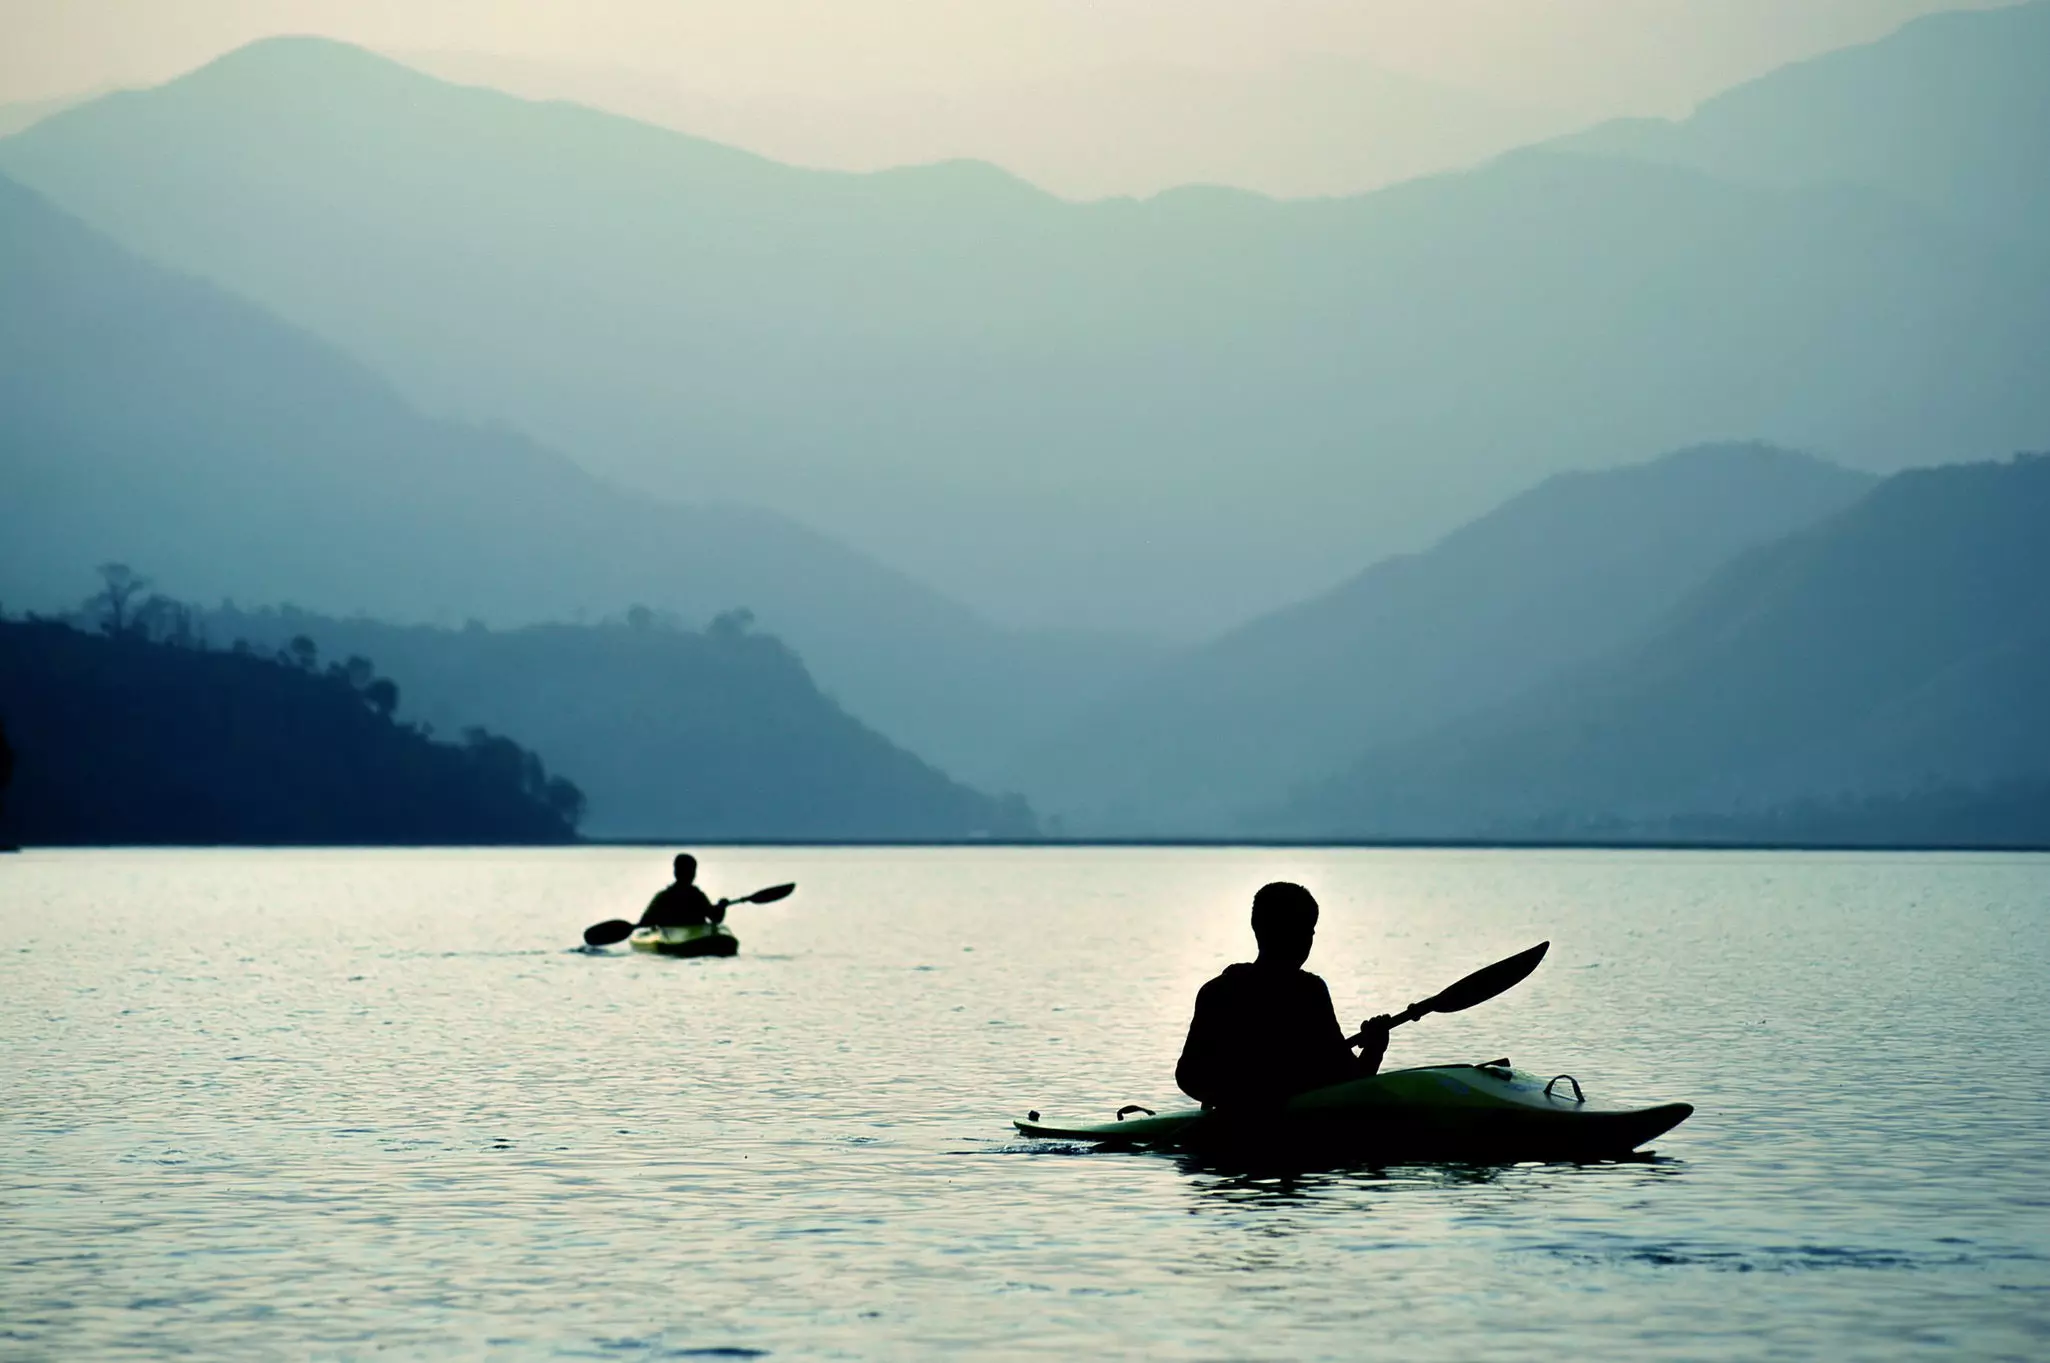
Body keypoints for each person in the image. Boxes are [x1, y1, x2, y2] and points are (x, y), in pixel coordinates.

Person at [1176, 881, 1393, 1111]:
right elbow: (1350, 1081)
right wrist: (1374, 1049)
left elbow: (1189, 1077)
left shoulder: (1216, 991)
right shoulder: (1310, 992)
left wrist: (1230, 1096)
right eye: (1305, 930)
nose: (1306, 939)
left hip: (1230, 1126)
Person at [638, 853, 728, 929]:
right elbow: (715, 917)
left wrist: (721, 907)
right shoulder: (697, 896)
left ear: (675, 872)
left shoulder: (663, 896)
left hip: (679, 938)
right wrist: (721, 907)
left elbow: (645, 921)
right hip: (693, 940)